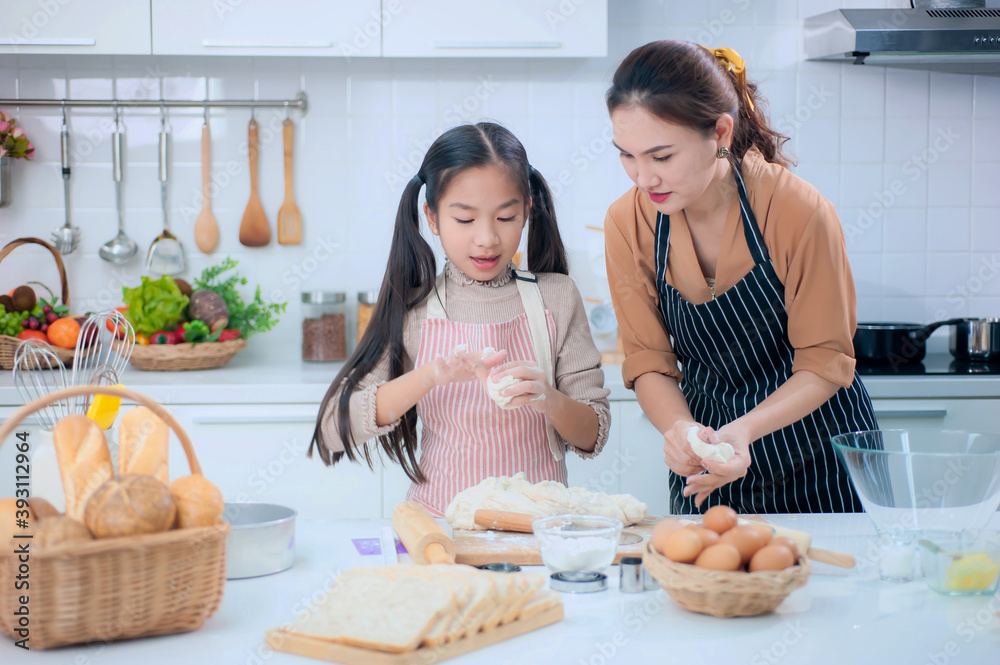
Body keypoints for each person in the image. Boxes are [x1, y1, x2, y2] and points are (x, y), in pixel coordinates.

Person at [603, 41, 877, 515]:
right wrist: (682, 432)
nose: (643, 178)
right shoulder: (629, 223)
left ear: (721, 133)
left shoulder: (796, 211)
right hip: (710, 465)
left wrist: (744, 430)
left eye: (661, 156)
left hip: (821, 461)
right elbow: (648, 359)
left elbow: (826, 361)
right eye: (627, 155)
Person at [309, 122, 611, 515]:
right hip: (441, 529)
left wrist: (548, 399)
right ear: (431, 218)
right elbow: (334, 429)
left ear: (527, 212)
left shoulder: (556, 296)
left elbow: (594, 435)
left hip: (537, 533)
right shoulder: (414, 309)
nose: (486, 238)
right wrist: (428, 376)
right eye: (465, 220)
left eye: (505, 218)